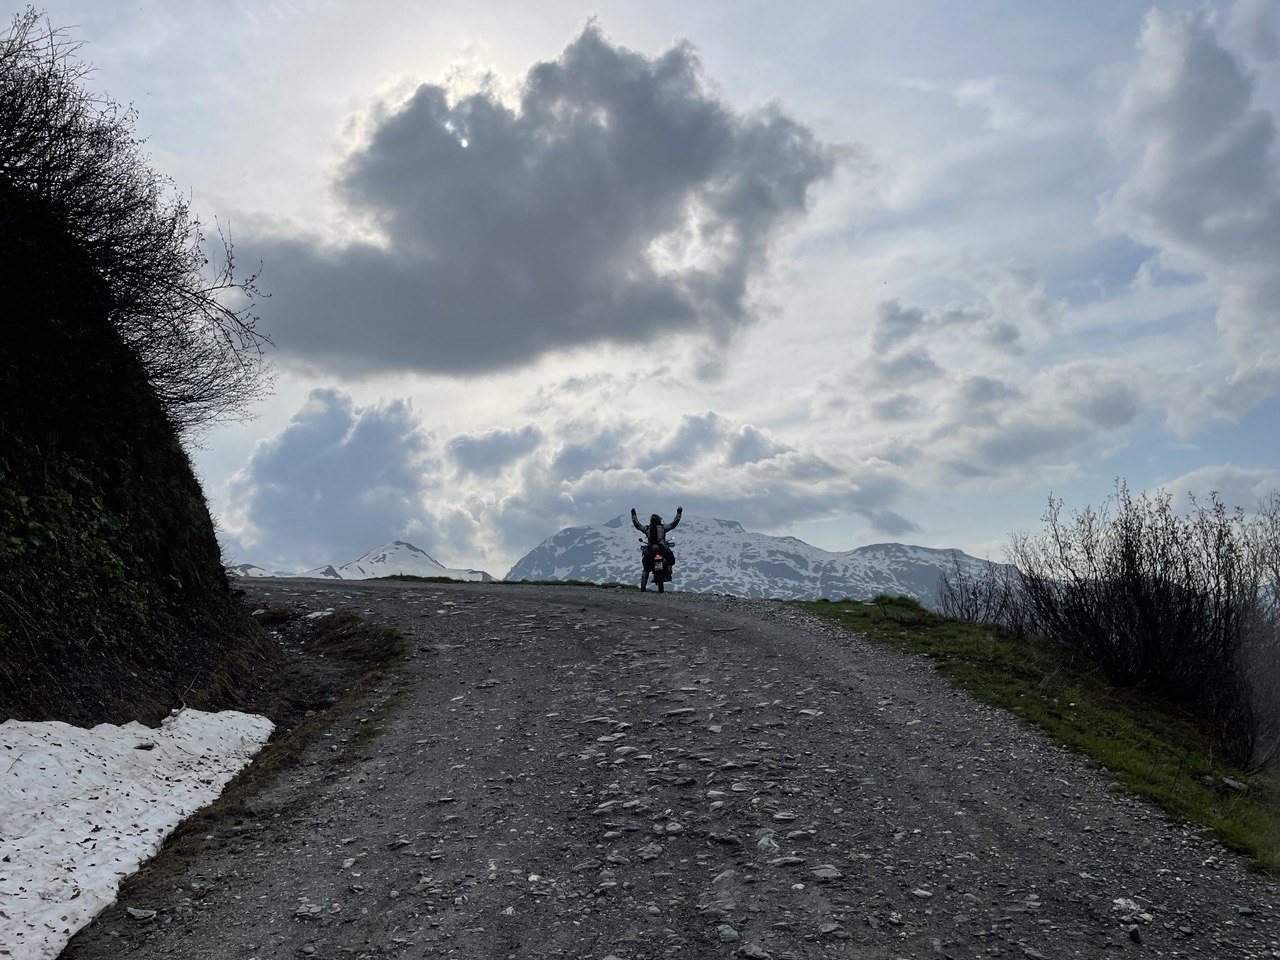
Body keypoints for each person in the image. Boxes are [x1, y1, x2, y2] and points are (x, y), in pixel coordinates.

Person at [632, 505, 682, 591]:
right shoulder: (663, 527)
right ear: (658, 520)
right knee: (670, 559)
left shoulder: (647, 528)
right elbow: (674, 523)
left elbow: (637, 525)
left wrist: (633, 514)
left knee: (646, 567)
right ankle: (668, 573)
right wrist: (679, 512)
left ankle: (643, 586)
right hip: (662, 549)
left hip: (650, 550)